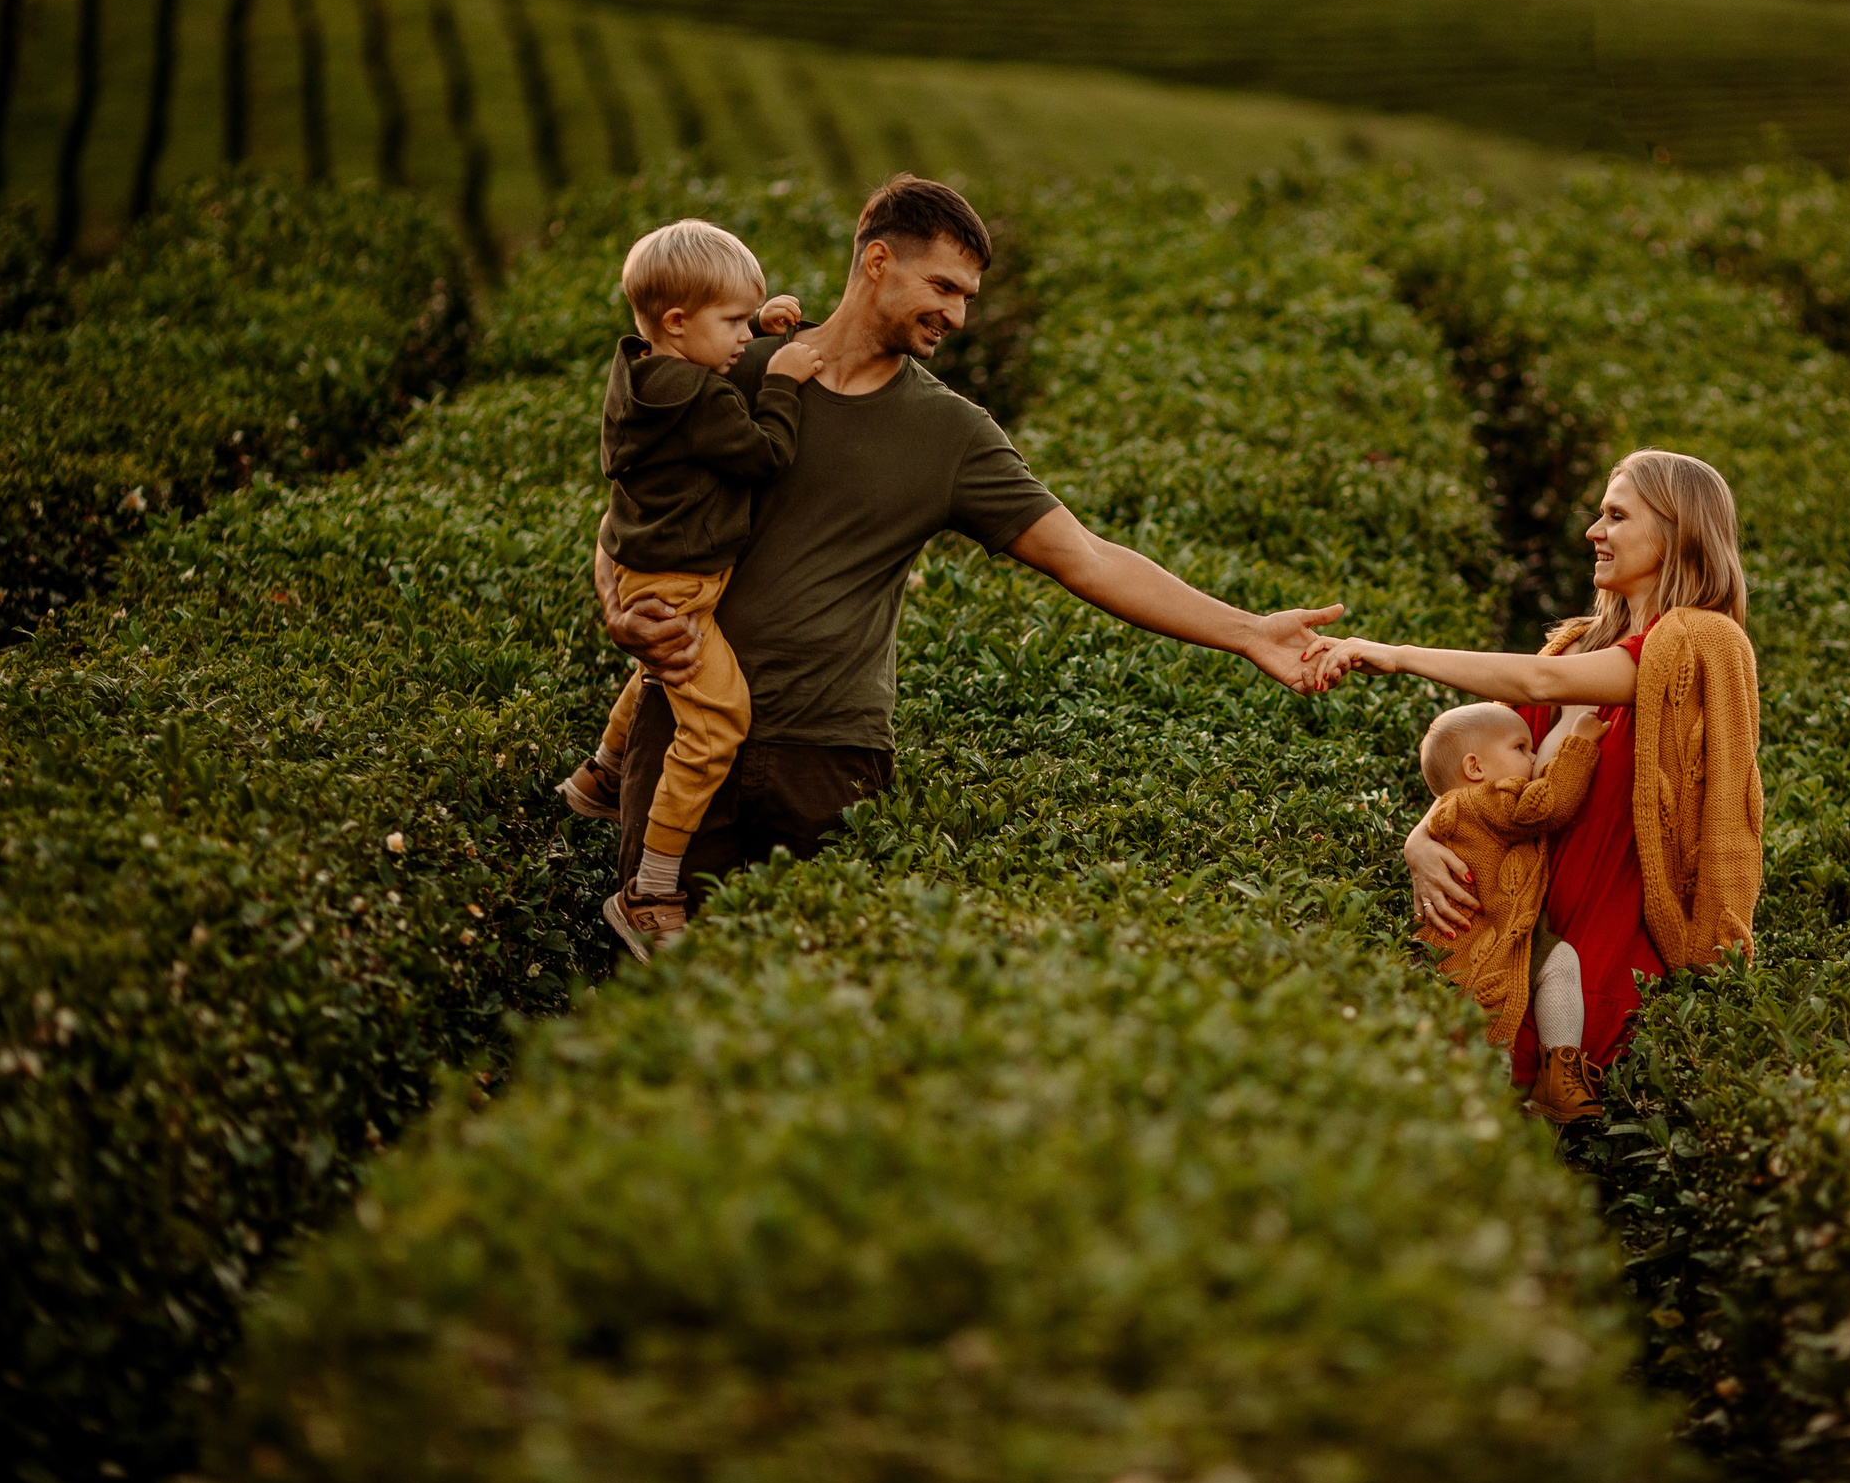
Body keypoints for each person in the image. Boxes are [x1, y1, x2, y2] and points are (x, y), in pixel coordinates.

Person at [595, 174, 1343, 925]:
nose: (956, 314)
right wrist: (618, 608)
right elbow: (630, 512)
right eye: (944, 287)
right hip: (683, 722)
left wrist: (1248, 631)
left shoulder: (951, 433)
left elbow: (1085, 555)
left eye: (968, 298)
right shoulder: (743, 368)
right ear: (878, 261)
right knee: (663, 993)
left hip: (828, 754)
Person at [1308, 449, 1764, 1125]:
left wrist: (1397, 655)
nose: (1593, 531)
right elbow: (1489, 781)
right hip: (1525, 938)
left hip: (1610, 953)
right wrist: (1419, 840)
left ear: (1674, 531)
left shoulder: (1696, 644)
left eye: (1615, 515)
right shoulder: (1578, 647)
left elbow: (1536, 684)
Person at [555, 220, 824, 959]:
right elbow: (766, 454)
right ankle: (650, 890)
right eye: (734, 322)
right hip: (678, 584)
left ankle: (603, 773)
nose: (743, 339)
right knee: (716, 723)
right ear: (678, 321)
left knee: (661, 672)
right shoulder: (702, 400)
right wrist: (782, 381)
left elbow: (715, 350)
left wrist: (765, 326)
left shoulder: (643, 372)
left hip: (654, 572)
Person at [1413, 702, 1604, 1107]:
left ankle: (1560, 1071)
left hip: (1508, 935)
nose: (1534, 758)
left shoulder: (1455, 808)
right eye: (1521, 748)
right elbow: (1547, 806)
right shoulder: (1483, 802)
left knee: (1559, 960)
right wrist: (1579, 745)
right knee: (1482, 1038)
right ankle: (1548, 1079)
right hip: (1480, 943)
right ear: (1475, 768)